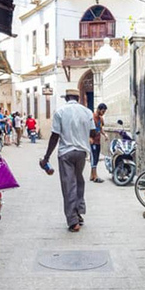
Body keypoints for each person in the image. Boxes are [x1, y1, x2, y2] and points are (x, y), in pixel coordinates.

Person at [40, 89, 96, 232]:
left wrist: (46, 157)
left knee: (68, 185)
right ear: (78, 98)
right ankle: (78, 213)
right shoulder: (87, 112)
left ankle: (73, 221)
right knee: (79, 181)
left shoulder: (60, 112)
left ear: (66, 98)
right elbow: (93, 133)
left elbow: (54, 136)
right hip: (82, 153)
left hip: (66, 153)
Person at [89, 103, 108, 183]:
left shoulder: (100, 119)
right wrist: (89, 137)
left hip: (98, 141)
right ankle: (95, 176)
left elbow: (100, 129)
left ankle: (91, 175)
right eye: (103, 111)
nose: (103, 113)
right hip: (92, 141)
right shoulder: (92, 117)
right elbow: (87, 128)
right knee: (93, 157)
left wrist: (105, 134)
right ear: (99, 109)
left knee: (96, 158)